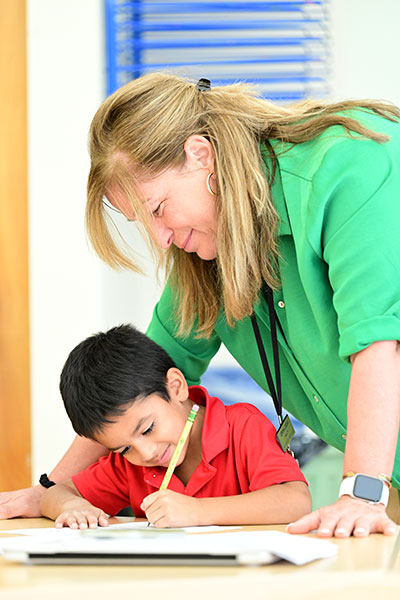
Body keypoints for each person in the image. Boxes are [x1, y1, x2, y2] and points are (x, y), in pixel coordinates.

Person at [2, 73, 400, 538]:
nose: (161, 239)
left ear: (200, 154)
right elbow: (141, 377)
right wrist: (52, 487)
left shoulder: (348, 166)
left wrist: (361, 492)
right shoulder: (207, 252)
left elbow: (378, 341)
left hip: (372, 484)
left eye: (156, 209)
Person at [40, 324, 310, 529]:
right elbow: (56, 493)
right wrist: (73, 506)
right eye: (123, 448)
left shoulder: (242, 426)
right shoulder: (130, 464)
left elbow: (296, 502)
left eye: (147, 429)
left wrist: (198, 511)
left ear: (176, 387)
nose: (145, 453)